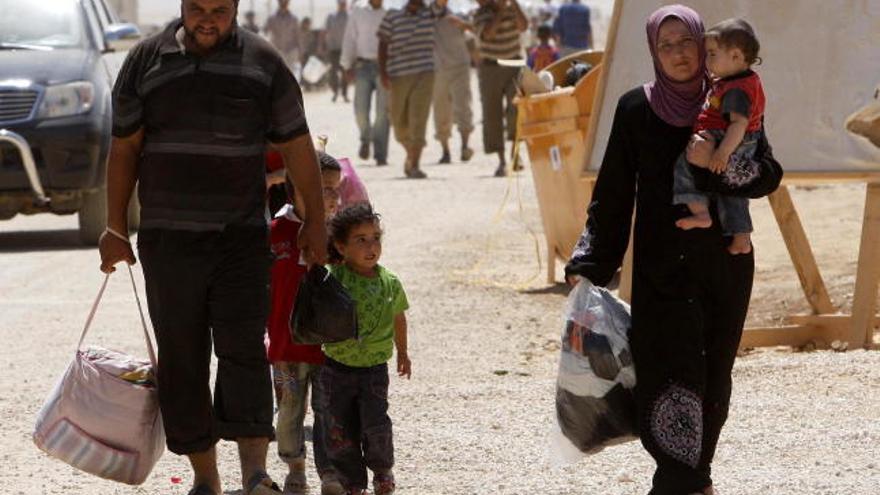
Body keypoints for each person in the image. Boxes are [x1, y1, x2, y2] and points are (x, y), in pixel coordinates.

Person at [98, 1, 329, 494]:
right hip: (168, 240)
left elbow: (296, 144)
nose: (208, 19)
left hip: (240, 239)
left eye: (220, 10)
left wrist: (316, 220)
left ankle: (254, 473)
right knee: (182, 359)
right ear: (182, 6)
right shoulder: (145, 61)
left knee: (243, 350)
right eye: (198, 8)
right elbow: (125, 148)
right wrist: (115, 228)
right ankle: (206, 476)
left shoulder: (263, 62)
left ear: (236, 8)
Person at [564, 5, 781, 495]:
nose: (679, 54)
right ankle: (681, 480)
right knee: (665, 371)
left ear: (705, 44)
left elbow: (768, 173)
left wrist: (720, 163)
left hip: (724, 264)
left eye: (687, 42)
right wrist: (590, 264)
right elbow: (613, 195)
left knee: (711, 376)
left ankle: (692, 479)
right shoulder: (635, 109)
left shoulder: (732, 96)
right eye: (667, 45)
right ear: (653, 52)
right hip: (663, 270)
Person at [318, 203, 411, 495]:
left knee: (376, 423)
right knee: (339, 430)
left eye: (375, 238)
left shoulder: (389, 282)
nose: (372, 246)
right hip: (336, 368)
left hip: (374, 370)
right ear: (341, 247)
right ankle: (352, 482)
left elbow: (399, 317)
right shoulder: (333, 278)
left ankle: (382, 471)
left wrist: (404, 353)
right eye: (361, 239)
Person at [267, 152, 344, 495]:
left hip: (328, 346)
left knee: (329, 411)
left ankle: (330, 472)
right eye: (322, 187)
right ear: (295, 190)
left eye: (334, 189)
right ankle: (294, 466)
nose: (330, 196)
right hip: (285, 344)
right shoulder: (276, 232)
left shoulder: (342, 235)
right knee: (288, 409)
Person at [673, 18, 765, 256]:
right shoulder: (734, 81)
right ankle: (740, 236)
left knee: (687, 170)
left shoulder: (736, 89)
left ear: (735, 56)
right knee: (731, 192)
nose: (707, 60)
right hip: (726, 139)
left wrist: (721, 153)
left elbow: (739, 124)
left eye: (712, 54)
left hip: (727, 140)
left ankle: (703, 214)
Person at [378, 0, 449, 179]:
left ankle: (415, 164)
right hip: (398, 74)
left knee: (419, 119)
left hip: (424, 73)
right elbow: (383, 44)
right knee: (397, 122)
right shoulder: (392, 16)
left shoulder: (430, 12)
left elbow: (441, 3)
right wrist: (383, 73)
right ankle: (410, 154)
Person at [473, 0, 528, 177]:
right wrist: (501, 12)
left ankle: (515, 152)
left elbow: (523, 25)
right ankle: (501, 160)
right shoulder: (481, 14)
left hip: (514, 64)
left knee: (517, 111)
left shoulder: (513, 10)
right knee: (492, 114)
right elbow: (488, 34)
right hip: (491, 68)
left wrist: (513, 4)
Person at [340, 0, 390, 166]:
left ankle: (381, 154)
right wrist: (346, 65)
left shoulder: (390, 12)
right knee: (361, 110)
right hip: (363, 66)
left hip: (385, 67)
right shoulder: (358, 11)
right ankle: (365, 138)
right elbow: (350, 39)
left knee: (383, 112)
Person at [431, 12, 475, 164]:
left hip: (460, 67)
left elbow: (476, 32)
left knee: (463, 107)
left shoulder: (459, 13)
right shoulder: (426, 17)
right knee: (441, 110)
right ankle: (445, 151)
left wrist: (464, 25)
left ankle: (464, 146)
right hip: (438, 69)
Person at [324, 0, 350, 103]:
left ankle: (344, 94)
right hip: (333, 48)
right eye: (341, 3)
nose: (342, 5)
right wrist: (323, 46)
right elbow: (325, 32)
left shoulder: (350, 16)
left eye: (344, 3)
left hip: (346, 49)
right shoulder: (331, 16)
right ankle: (335, 92)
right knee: (333, 72)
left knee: (345, 72)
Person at [264, 0, 302, 69]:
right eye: (281, 1)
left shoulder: (294, 19)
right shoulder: (272, 18)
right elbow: (265, 32)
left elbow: (298, 36)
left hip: (291, 51)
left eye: (286, 1)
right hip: (278, 50)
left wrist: (300, 52)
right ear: (278, 2)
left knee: (290, 74)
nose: (283, 3)